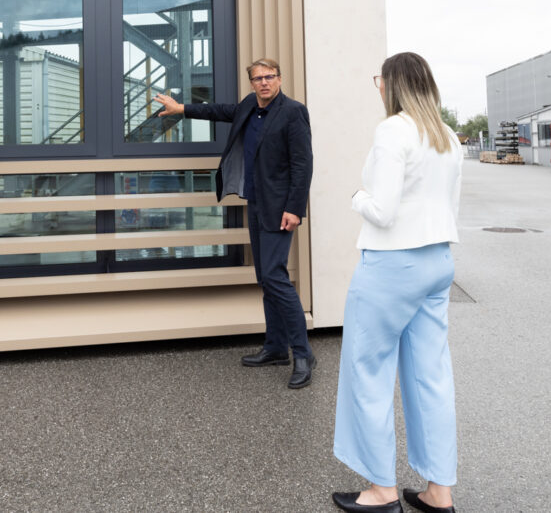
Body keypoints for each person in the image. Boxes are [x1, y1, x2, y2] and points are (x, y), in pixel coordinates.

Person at [330, 52, 462, 513]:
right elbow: (448, 206)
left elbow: (383, 211)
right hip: (438, 262)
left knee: (368, 372)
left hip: (391, 267)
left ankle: (382, 491)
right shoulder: (447, 135)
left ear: (395, 85)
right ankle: (438, 492)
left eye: (379, 81)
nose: (378, 89)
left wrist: (356, 197)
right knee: (431, 377)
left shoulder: (393, 130)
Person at [152, 58, 316, 389]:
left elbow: (303, 163)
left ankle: (303, 353)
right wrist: (181, 108)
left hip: (280, 208)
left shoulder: (293, 112)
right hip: (255, 203)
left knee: (275, 276)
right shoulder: (247, 106)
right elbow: (220, 111)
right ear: (252, 83)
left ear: (279, 79)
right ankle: (275, 348)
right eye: (258, 78)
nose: (264, 83)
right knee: (266, 278)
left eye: (269, 77)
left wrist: (295, 209)